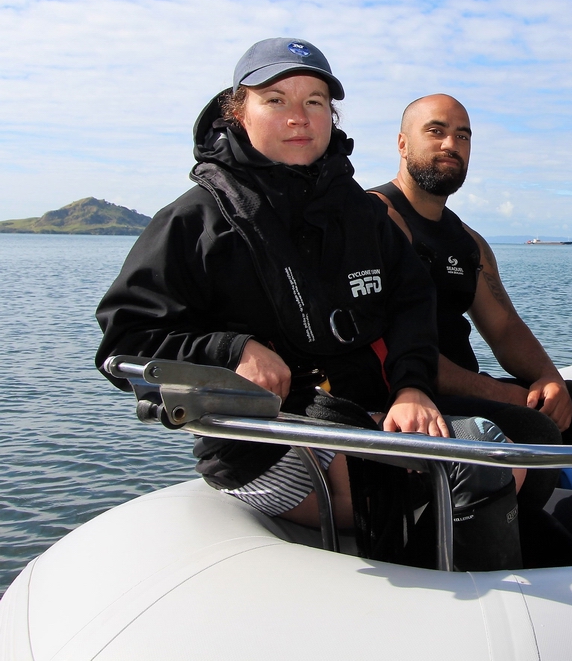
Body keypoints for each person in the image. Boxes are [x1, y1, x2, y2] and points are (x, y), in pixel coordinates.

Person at [95, 39, 521, 569]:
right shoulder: (194, 221)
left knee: (505, 452)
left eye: (315, 101)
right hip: (265, 439)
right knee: (476, 459)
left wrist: (413, 387)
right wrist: (231, 351)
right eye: (276, 100)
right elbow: (124, 343)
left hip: (366, 415)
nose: (299, 117)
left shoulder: (362, 215)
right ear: (238, 110)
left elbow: (414, 304)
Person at [368, 94, 572, 562]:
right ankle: (461, 555)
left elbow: (503, 328)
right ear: (402, 144)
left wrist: (549, 379)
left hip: (459, 391)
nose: (451, 144)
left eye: (463, 136)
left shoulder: (468, 241)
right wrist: (501, 394)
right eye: (436, 131)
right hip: (405, 392)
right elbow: (394, 351)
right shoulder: (378, 219)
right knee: (532, 430)